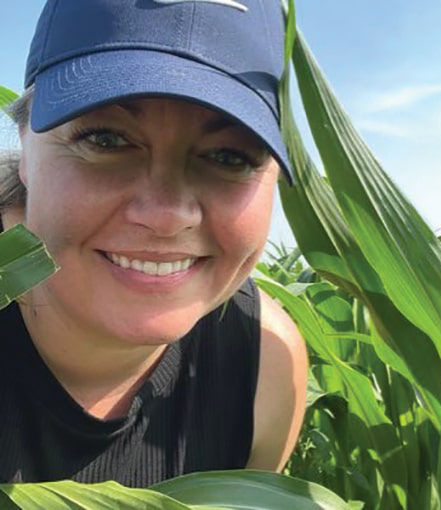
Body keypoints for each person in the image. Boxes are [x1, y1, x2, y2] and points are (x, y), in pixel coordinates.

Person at [0, 0, 308, 487]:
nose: (167, 216)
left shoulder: (265, 366)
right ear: (24, 145)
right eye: (105, 139)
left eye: (229, 155)